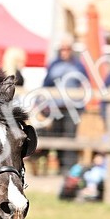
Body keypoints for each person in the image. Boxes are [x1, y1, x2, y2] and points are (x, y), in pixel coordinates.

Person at [41, 35, 89, 169]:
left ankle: (69, 169)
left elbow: (85, 84)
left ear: (71, 49)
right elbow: (46, 84)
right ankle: (59, 167)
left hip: (72, 108)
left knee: (70, 137)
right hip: (56, 108)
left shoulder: (78, 65)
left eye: (67, 49)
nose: (64, 51)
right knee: (56, 137)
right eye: (62, 49)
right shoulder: (54, 65)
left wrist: (82, 104)